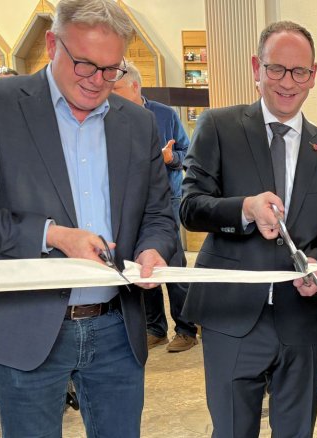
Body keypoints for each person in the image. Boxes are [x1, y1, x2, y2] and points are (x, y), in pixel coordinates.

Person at [0, 0, 176, 435]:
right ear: (52, 44)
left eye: (112, 69)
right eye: (86, 65)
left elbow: (158, 213)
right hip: (25, 326)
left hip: (116, 329)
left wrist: (152, 249)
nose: (98, 81)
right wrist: (51, 235)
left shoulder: (137, 122)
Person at [180, 21, 317, 437]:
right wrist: (244, 209)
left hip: (302, 318)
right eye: (276, 69)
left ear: (313, 76)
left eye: (299, 72)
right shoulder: (219, 127)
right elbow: (189, 207)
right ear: (257, 67)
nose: (287, 82)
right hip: (231, 315)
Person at [112, 60, 197, 352]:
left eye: (117, 88)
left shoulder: (164, 115)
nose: (109, 94)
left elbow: (188, 154)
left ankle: (186, 329)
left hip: (165, 201)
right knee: (141, 266)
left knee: (172, 265)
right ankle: (155, 328)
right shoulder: (108, 116)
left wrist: (169, 159)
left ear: (135, 86)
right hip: (127, 204)